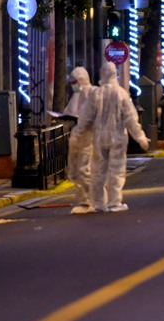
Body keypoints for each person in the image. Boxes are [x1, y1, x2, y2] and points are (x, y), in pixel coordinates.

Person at [72, 61, 149, 213]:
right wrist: (140, 137)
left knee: (98, 171)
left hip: (99, 136)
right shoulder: (121, 94)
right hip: (118, 136)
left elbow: (86, 117)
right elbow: (130, 118)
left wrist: (78, 133)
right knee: (116, 169)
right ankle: (114, 202)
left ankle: (99, 203)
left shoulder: (96, 94)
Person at [63, 67, 97, 215]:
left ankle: (95, 199)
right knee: (77, 170)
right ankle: (85, 200)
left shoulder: (93, 94)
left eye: (75, 82)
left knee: (85, 169)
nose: (73, 85)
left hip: (90, 138)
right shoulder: (77, 96)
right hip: (79, 139)